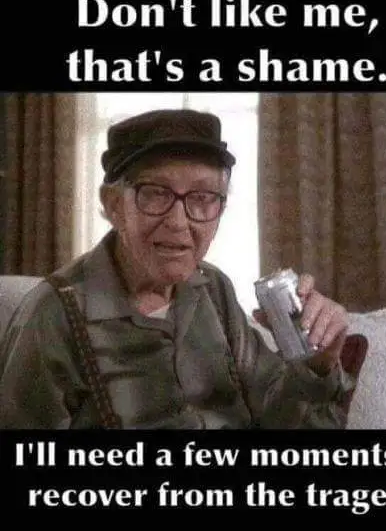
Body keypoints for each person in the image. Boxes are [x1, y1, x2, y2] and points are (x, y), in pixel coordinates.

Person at [0, 108, 354, 429]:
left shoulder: (214, 288)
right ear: (113, 205)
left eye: (202, 198)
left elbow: (282, 418)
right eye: (156, 193)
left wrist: (318, 364)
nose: (178, 222)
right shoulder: (52, 315)